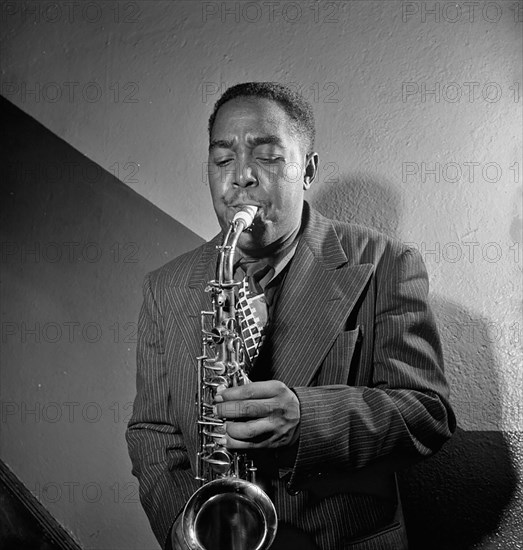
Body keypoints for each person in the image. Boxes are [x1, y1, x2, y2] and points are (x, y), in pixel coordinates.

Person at [126, 82, 456, 550]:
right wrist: (186, 529)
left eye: (267, 156)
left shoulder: (388, 263)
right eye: (222, 160)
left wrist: (305, 419)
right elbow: (152, 431)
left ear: (308, 170)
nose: (240, 176)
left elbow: (428, 415)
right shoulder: (165, 287)